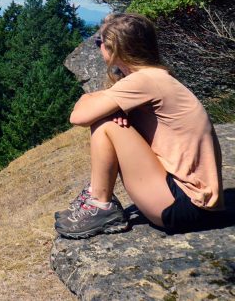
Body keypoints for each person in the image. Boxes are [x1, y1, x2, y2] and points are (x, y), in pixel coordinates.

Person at [55, 13, 225, 239]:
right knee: (110, 119)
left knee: (105, 123)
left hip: (185, 205)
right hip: (194, 202)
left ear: (114, 49)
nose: (98, 48)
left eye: (99, 43)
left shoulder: (144, 81)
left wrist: (90, 99)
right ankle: (97, 199)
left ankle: (100, 204)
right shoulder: (157, 77)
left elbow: (79, 117)